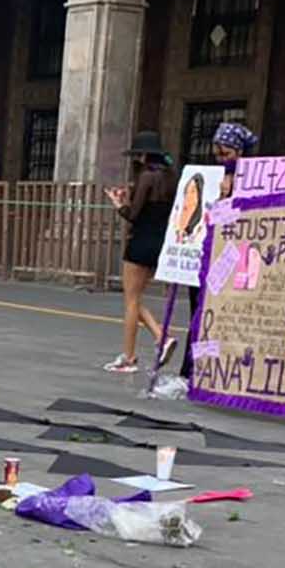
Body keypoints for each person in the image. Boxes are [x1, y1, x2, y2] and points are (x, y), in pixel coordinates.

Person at [183, 122, 258, 381]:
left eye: (227, 154)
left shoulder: (252, 181)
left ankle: (221, 372)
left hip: (235, 261)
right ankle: (192, 369)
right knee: (199, 315)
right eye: (218, 154)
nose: (222, 160)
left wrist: (231, 197)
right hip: (207, 257)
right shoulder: (212, 178)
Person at [103, 132, 176, 373]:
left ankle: (130, 356)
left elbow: (133, 215)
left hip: (140, 242)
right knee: (135, 298)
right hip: (158, 243)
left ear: (143, 155)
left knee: (131, 300)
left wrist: (118, 204)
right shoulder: (169, 177)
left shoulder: (146, 176)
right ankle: (161, 337)